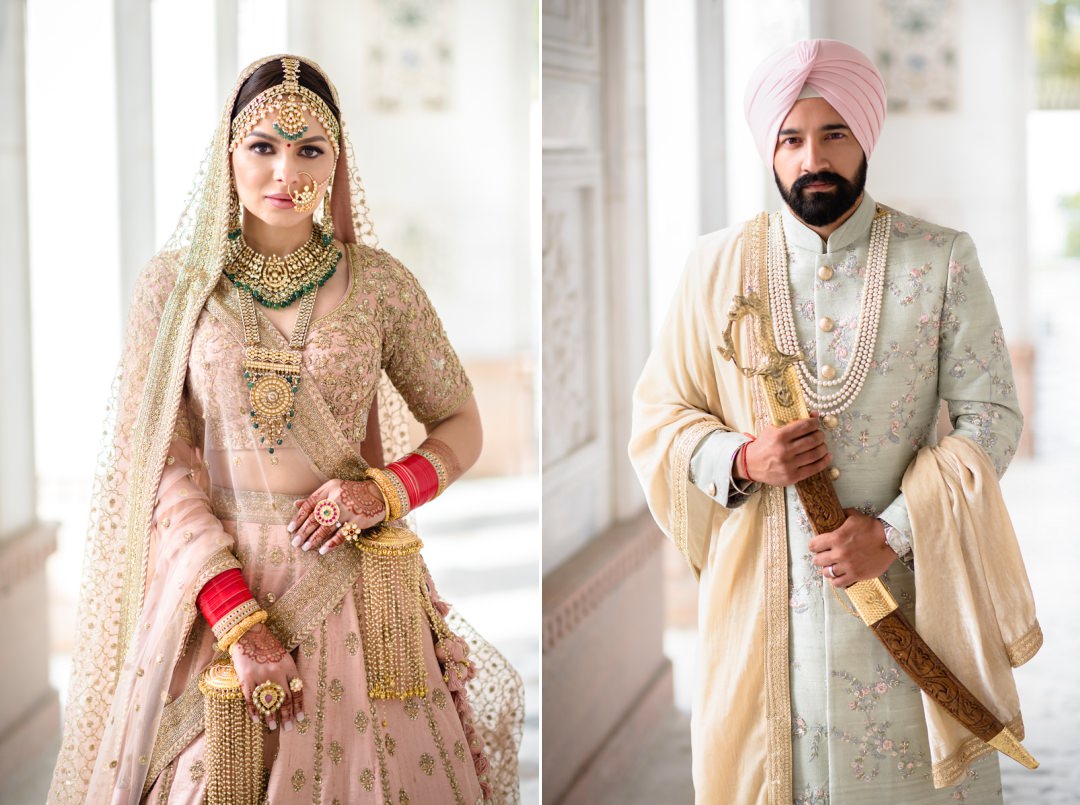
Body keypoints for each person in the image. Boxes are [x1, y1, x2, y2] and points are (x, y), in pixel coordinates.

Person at [48, 54, 523, 804]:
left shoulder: (379, 284)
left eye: (309, 149)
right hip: (219, 587)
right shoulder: (175, 290)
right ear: (228, 154)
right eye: (263, 146)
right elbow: (160, 467)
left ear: (337, 160)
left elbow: (461, 424)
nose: (284, 170)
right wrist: (238, 620)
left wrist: (386, 492)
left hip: (359, 589)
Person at [629, 39, 1041, 804]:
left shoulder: (940, 258)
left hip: (905, 601)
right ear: (770, 148)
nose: (811, 157)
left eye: (833, 133)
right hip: (760, 616)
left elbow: (992, 417)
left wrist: (893, 532)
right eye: (790, 138)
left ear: (865, 137)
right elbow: (659, 417)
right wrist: (743, 458)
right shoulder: (712, 268)